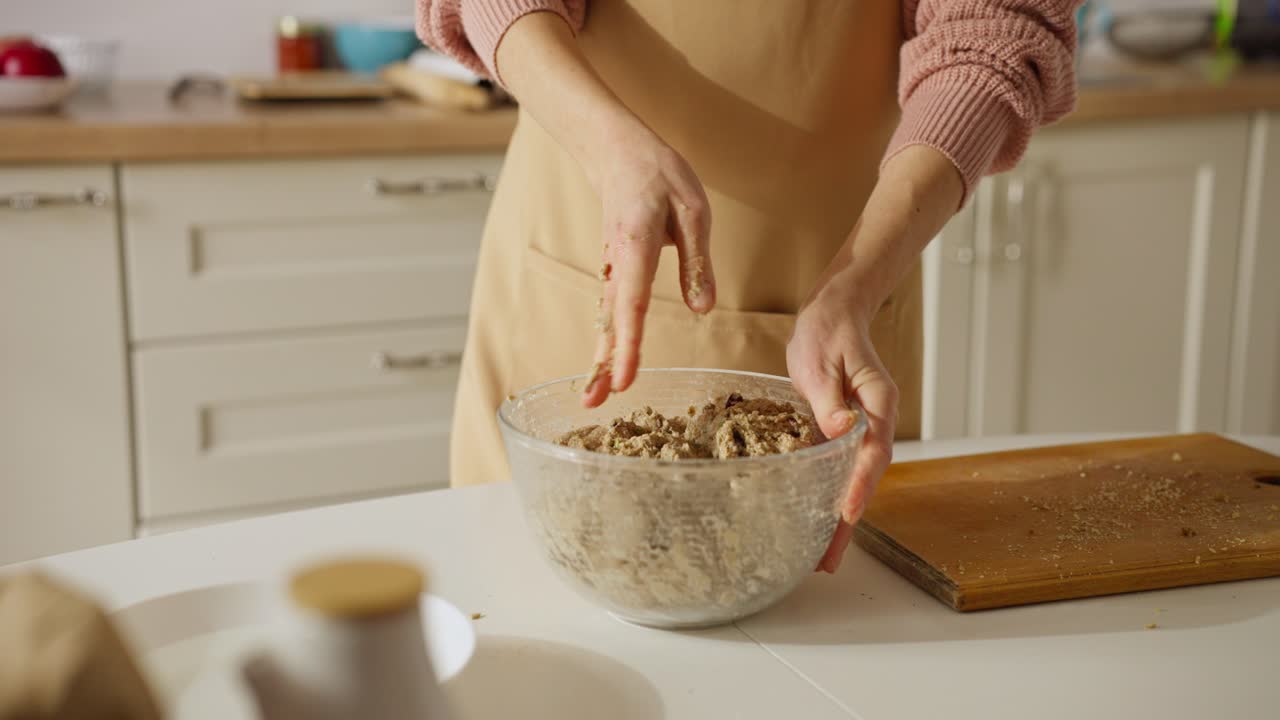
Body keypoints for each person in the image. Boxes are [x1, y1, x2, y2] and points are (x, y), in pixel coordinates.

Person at [417, 0, 1079, 571]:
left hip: (845, 287)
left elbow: (992, 33)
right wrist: (609, 145)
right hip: (572, 267)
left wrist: (856, 284)